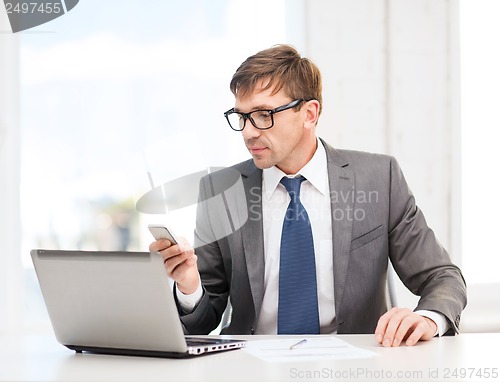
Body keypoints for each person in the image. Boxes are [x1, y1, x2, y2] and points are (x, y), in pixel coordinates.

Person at [149, 44, 466, 347]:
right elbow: (201, 322)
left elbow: (442, 277)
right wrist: (188, 286)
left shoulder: (378, 178)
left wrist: (428, 318)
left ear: (309, 113)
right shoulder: (220, 191)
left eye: (263, 114)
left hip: (356, 367)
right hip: (251, 368)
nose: (248, 131)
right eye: (242, 116)